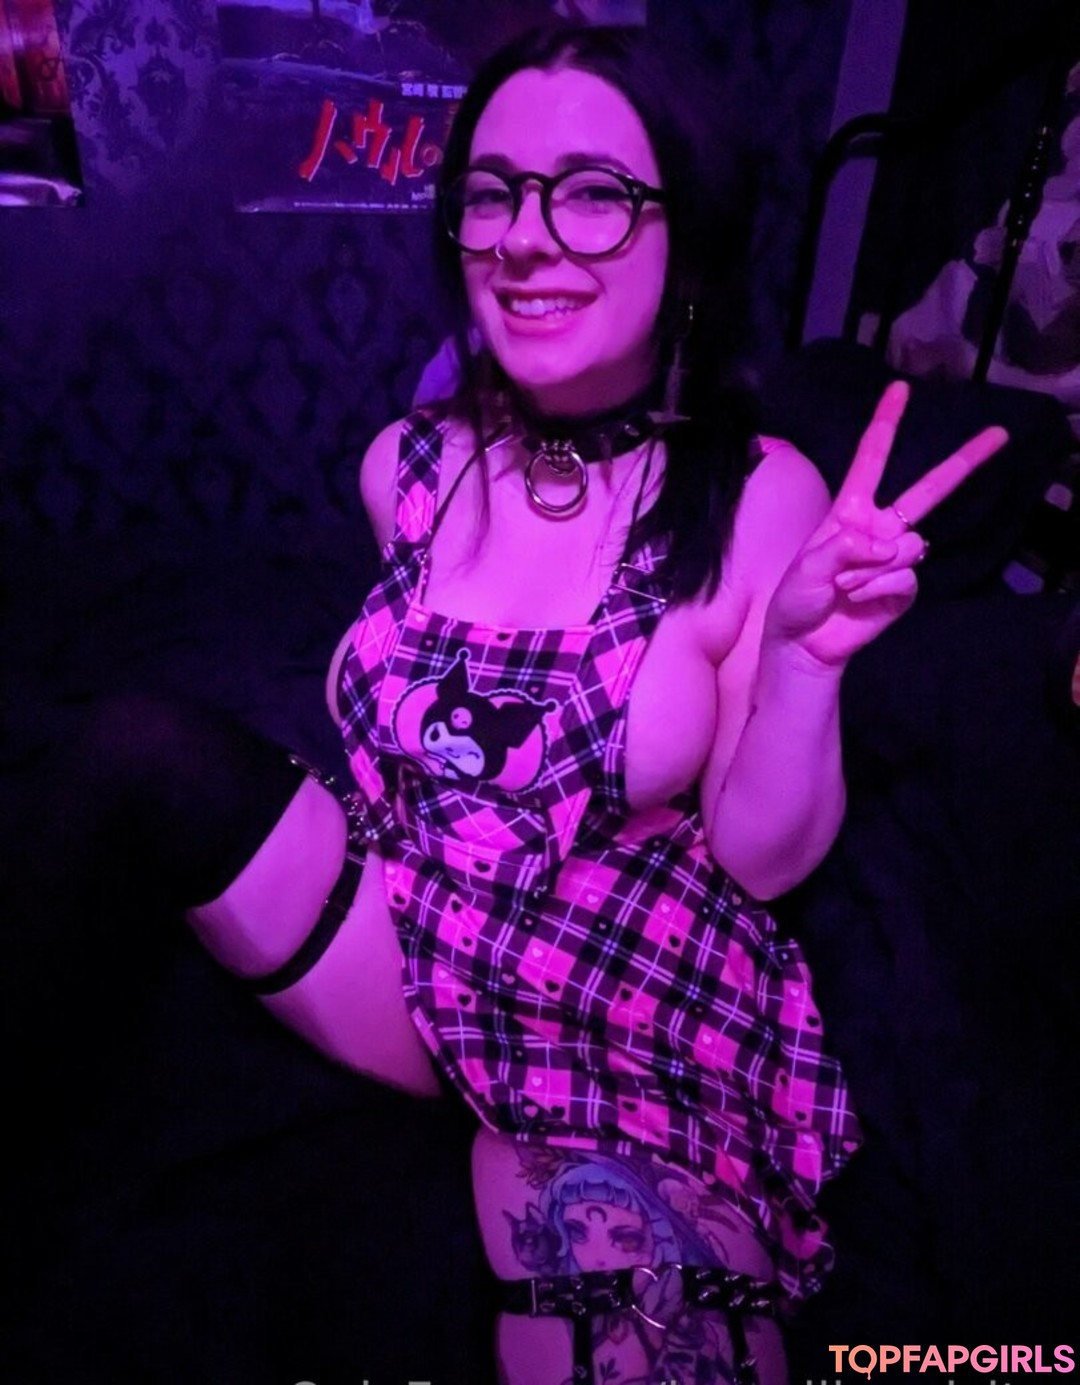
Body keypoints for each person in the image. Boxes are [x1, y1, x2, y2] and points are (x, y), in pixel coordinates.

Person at [70, 23, 1005, 1385]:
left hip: (614, 1004)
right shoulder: (406, 467)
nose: (524, 237)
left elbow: (762, 860)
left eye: (591, 194)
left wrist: (808, 659)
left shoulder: (758, 492)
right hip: (407, 932)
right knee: (133, 751)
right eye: (493, 194)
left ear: (688, 233)